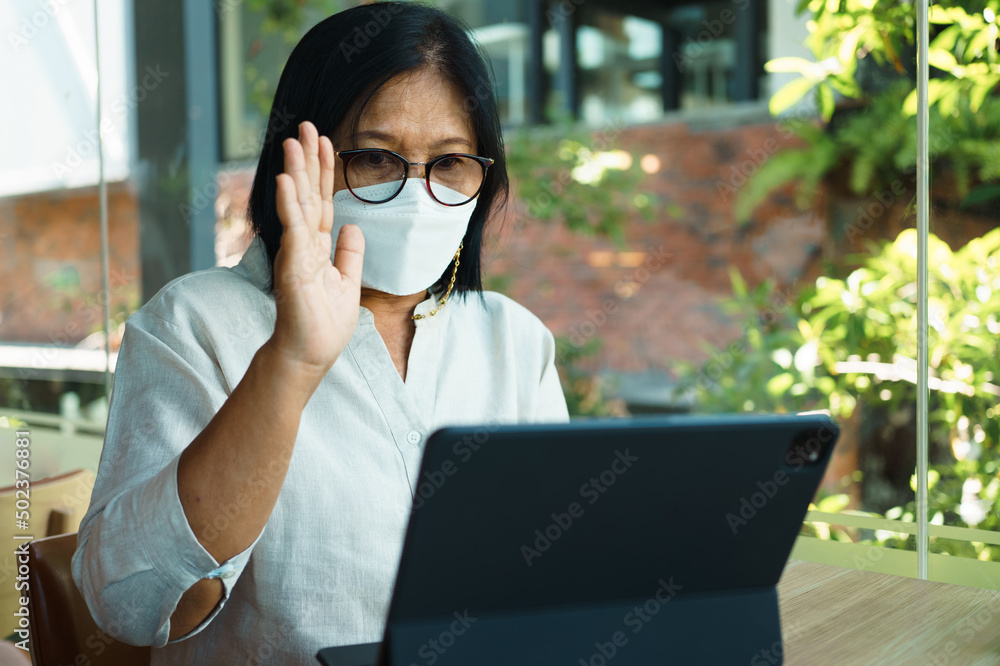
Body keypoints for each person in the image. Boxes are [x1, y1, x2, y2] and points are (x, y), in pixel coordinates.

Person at [71, 3, 568, 663]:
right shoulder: (197, 323)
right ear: (298, 158)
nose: (416, 194)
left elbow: (563, 582)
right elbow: (133, 605)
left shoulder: (513, 340)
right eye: (375, 158)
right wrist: (290, 363)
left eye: (449, 163)